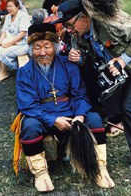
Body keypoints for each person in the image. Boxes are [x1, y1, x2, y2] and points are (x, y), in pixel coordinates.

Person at [14, 23, 115, 192]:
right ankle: (40, 174)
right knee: (29, 125)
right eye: (37, 47)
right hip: (43, 116)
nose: (43, 52)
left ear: (54, 46)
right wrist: (53, 120)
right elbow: (27, 105)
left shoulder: (69, 65)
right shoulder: (25, 71)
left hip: (70, 112)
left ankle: (99, 168)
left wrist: (80, 116)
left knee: (95, 118)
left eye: (47, 46)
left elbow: (80, 95)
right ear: (31, 49)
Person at [52, 0, 131, 171]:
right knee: (115, 105)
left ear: (83, 17)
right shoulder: (80, 35)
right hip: (118, 74)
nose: (69, 30)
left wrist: (123, 60)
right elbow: (93, 57)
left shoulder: (108, 21)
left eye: (70, 25)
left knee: (128, 107)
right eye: (67, 27)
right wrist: (80, 59)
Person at [0, 0, 30, 81]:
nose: (8, 8)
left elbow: (23, 33)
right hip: (12, 42)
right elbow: (4, 31)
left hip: (23, 44)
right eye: (7, 6)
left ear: (17, 6)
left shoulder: (23, 15)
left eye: (10, 6)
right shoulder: (8, 17)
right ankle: (2, 72)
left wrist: (10, 43)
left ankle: (9, 70)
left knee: (3, 52)